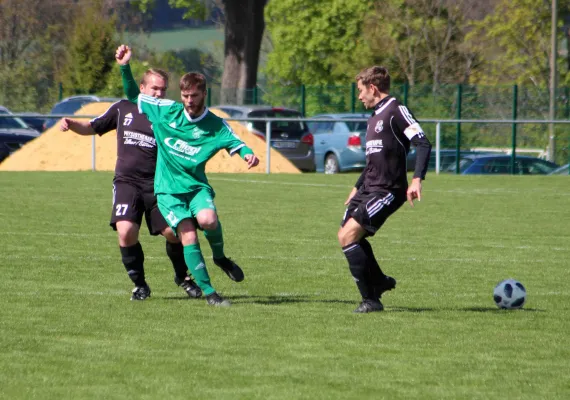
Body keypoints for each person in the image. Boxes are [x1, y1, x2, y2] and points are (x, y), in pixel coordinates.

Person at [115, 44, 260, 307]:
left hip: (195, 188)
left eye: (193, 95)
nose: (189, 101)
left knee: (208, 219)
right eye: (184, 95)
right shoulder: (166, 111)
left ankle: (220, 258)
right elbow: (133, 95)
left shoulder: (215, 125)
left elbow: (236, 142)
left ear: (204, 93)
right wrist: (125, 67)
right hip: (168, 191)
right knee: (188, 236)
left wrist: (247, 154)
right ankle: (210, 293)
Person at [60, 67, 203, 301]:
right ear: (142, 88)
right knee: (126, 232)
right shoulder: (122, 108)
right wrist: (71, 123)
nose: (158, 94)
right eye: (154, 88)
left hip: (159, 186)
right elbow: (93, 127)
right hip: (127, 183)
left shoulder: (168, 115)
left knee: (173, 232)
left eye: (163, 90)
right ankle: (140, 284)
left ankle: (183, 277)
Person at [338, 66, 432, 313]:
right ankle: (378, 280)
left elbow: (422, 142)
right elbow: (373, 160)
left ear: (373, 88)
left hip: (388, 190)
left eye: (360, 91)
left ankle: (371, 299)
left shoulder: (396, 111)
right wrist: (356, 188)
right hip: (368, 188)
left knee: (347, 236)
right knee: (348, 233)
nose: (359, 97)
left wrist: (416, 179)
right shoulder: (374, 118)